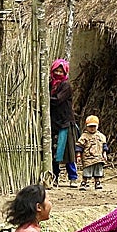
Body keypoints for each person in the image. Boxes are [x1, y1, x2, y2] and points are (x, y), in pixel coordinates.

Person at [49, 58, 78, 187]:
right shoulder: (50, 85)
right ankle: (54, 177)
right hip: (53, 122)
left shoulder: (66, 86)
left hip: (65, 122)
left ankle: (73, 177)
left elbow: (57, 100)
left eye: (61, 71)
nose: (59, 73)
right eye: (57, 70)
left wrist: (43, 97)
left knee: (68, 151)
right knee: (53, 151)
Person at [75, 115, 109, 191]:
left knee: (98, 171)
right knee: (87, 171)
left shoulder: (101, 136)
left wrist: (104, 154)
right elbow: (79, 146)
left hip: (98, 158)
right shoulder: (84, 136)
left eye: (94, 126)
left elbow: (104, 146)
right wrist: (78, 156)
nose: (92, 128)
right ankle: (84, 182)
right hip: (88, 158)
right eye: (90, 126)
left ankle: (97, 182)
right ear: (86, 127)